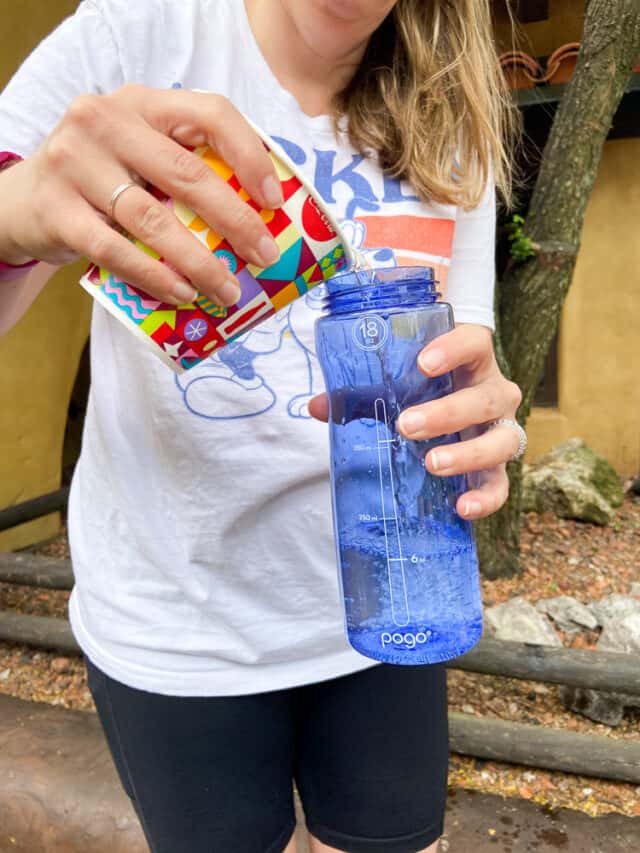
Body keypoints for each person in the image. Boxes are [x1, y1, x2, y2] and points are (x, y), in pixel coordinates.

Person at [0, 2, 524, 851]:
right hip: (179, 620)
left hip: (389, 607)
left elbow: (465, 362)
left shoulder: (450, 111)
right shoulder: (138, 31)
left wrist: (489, 425)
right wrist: (18, 210)